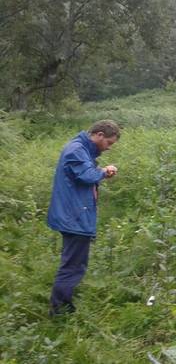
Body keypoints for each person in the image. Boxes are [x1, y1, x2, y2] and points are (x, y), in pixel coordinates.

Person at [48, 120, 120, 316]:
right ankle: (59, 312)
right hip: (74, 217)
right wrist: (104, 171)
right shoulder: (76, 150)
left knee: (74, 263)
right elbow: (87, 176)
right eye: (109, 143)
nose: (108, 148)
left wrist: (100, 172)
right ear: (98, 135)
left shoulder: (82, 150)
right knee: (72, 266)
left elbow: (86, 174)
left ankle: (63, 306)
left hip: (76, 214)